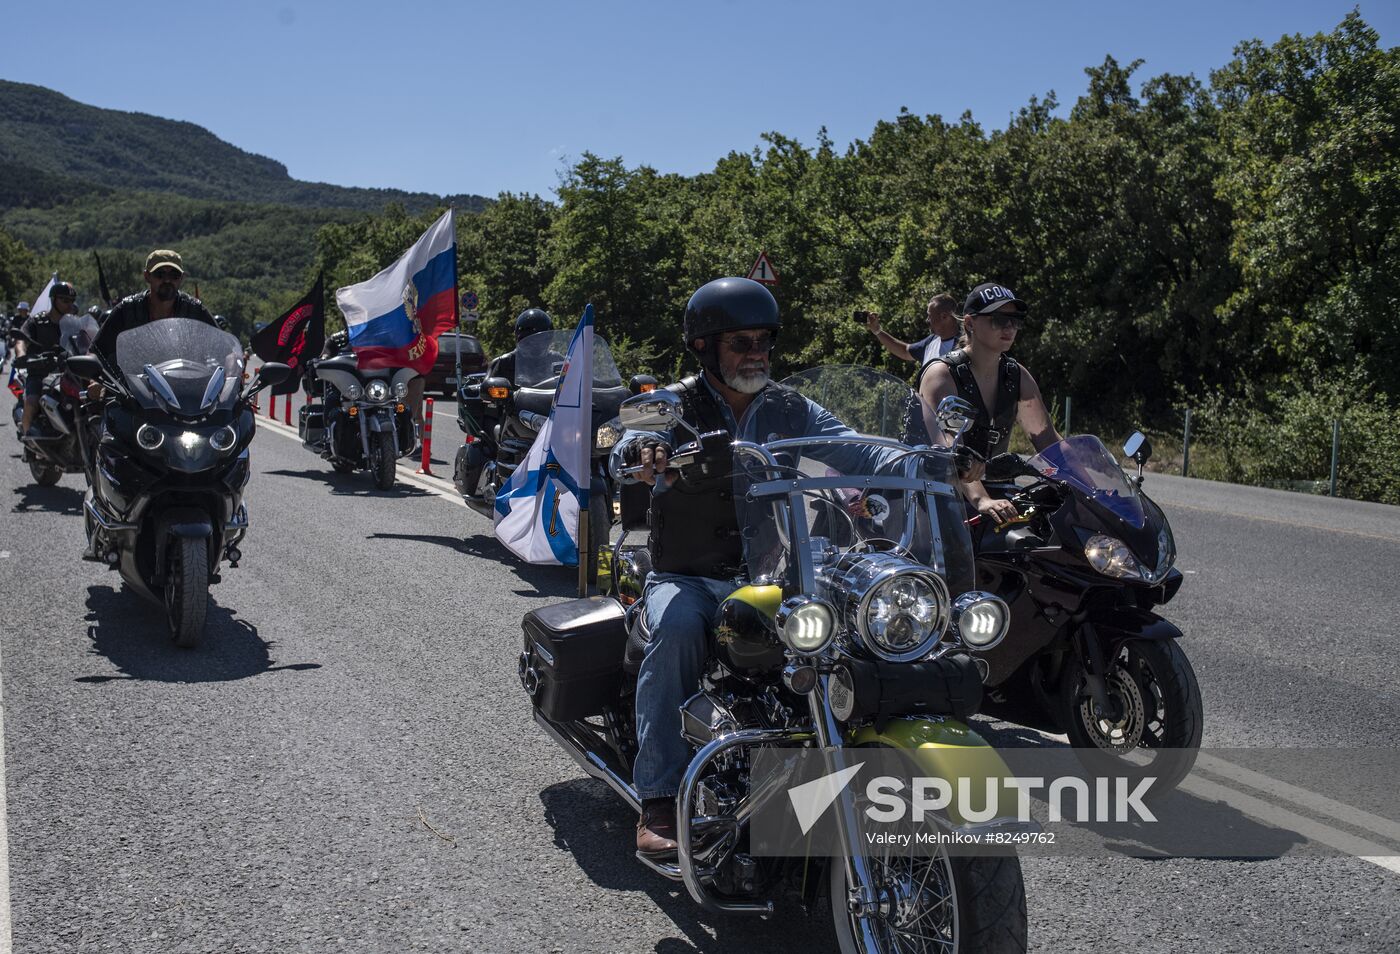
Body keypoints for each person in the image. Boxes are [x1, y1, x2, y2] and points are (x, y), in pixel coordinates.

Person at [610, 277, 883, 857]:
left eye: (764, 341)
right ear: (704, 347)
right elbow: (627, 444)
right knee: (681, 627)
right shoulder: (675, 405)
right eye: (740, 342)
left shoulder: (789, 405)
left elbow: (851, 443)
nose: (755, 352)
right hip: (686, 577)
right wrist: (642, 453)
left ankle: (819, 775)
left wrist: (916, 457)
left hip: (772, 578)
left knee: (846, 631)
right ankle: (658, 796)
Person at [917, 282, 1061, 526]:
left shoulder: (1016, 376)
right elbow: (951, 449)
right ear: (970, 323)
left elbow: (1049, 444)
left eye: (1015, 319)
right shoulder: (942, 375)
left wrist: (1095, 479)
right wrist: (981, 499)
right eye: (998, 319)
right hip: (935, 495)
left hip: (997, 493)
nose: (1009, 327)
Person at [90, 249, 217, 365]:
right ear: (147, 276)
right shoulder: (127, 311)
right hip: (130, 389)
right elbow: (96, 353)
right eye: (160, 274)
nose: (167, 280)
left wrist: (233, 374)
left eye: (174, 275)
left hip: (187, 388)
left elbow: (228, 350)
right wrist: (95, 381)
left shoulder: (194, 310)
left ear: (182, 278)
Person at [15, 282, 77, 438]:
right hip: (40, 373)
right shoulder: (37, 321)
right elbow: (21, 340)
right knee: (32, 402)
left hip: (68, 374)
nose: (69, 304)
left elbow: (89, 341)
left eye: (71, 301)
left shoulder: (74, 323)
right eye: (65, 300)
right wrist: (22, 355)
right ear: (54, 299)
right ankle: (28, 437)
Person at [865, 293, 960, 368]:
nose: (927, 320)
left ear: (944, 316)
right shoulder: (931, 341)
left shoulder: (965, 345)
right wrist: (877, 330)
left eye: (930, 316)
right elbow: (905, 351)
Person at [486, 308, 554, 384]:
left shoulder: (559, 361)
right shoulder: (504, 363)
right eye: (527, 340)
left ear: (549, 338)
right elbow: (487, 389)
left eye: (539, 339)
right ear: (518, 338)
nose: (533, 344)